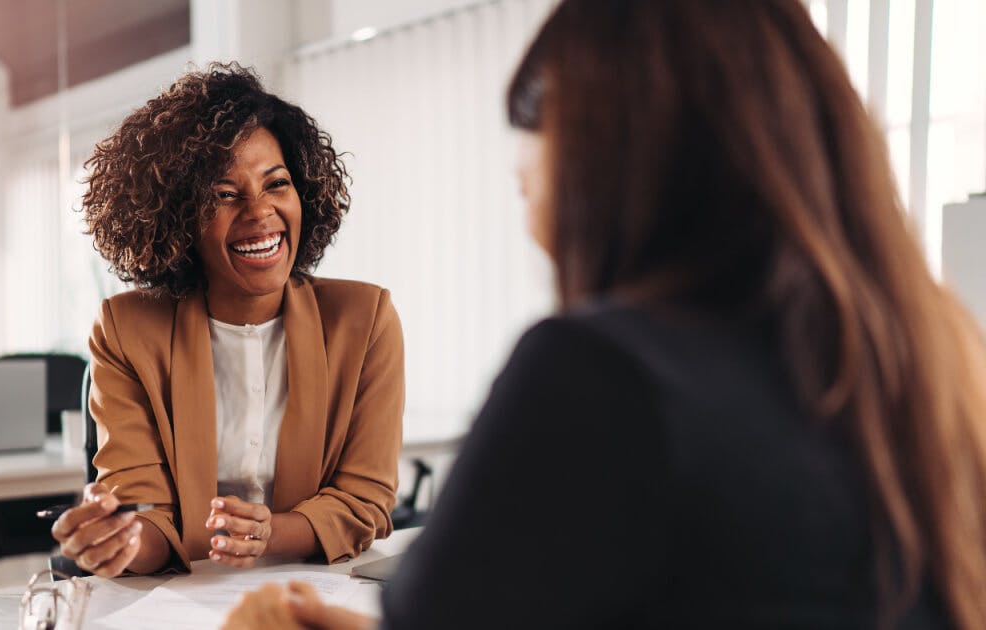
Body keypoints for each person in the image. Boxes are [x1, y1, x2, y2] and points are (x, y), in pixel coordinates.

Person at [222, 0, 986, 627]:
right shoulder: (933, 366)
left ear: (607, 166)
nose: (530, 220)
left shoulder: (604, 375)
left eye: (531, 178)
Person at [50, 63, 404, 577]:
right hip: (179, 599)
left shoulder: (365, 320)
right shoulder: (127, 330)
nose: (259, 212)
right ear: (177, 217)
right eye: (223, 194)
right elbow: (147, 516)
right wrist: (119, 541)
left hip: (315, 589)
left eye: (276, 183)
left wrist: (269, 533)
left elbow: (364, 501)